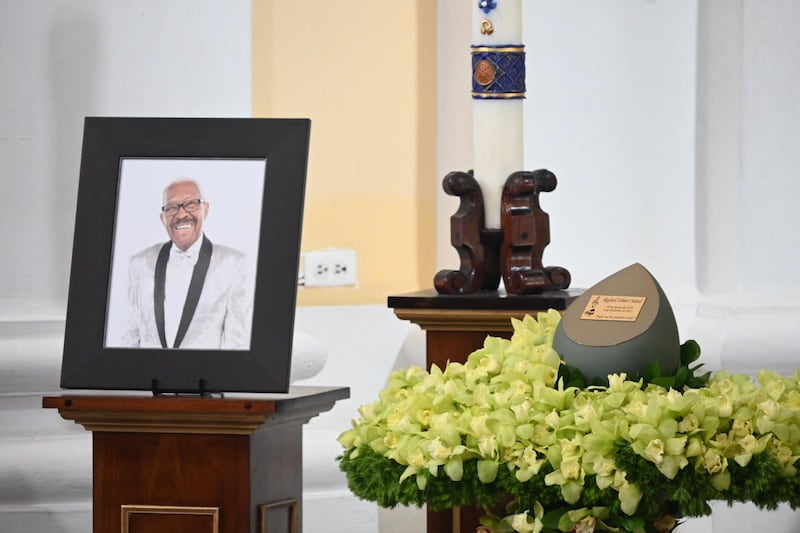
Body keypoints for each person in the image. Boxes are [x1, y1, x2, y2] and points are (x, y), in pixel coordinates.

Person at [121, 179, 251, 349]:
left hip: (204, 375)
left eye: (191, 204)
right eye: (171, 207)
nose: (181, 215)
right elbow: (130, 336)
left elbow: (237, 344)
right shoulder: (139, 263)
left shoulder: (234, 264)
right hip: (148, 374)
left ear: (206, 209)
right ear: (162, 218)